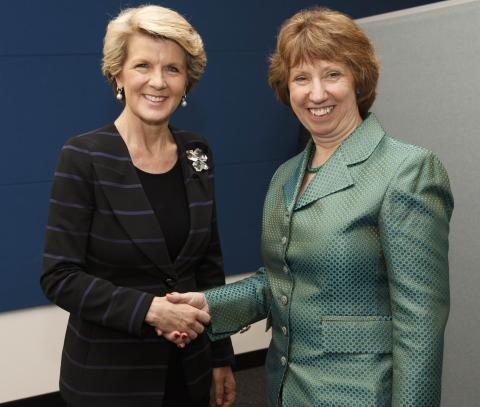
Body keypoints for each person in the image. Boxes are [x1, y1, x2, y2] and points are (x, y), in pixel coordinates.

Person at [167, 7, 453, 406]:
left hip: (362, 393)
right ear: (287, 88)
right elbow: (280, 284)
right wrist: (208, 304)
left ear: (359, 79)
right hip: (288, 387)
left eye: (332, 74)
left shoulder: (407, 170)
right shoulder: (286, 175)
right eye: (302, 78)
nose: (316, 93)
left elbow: (421, 322)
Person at [40, 5, 235, 407]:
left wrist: (220, 356)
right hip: (109, 381)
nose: (158, 82)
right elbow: (59, 276)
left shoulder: (197, 152)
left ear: (187, 82)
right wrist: (149, 310)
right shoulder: (83, 156)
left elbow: (208, 265)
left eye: (173, 69)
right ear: (118, 74)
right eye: (143, 65)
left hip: (189, 372)